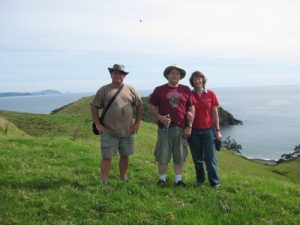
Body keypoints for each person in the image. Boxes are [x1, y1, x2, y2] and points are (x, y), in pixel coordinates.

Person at [90, 64, 143, 185]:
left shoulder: (131, 89)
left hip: (127, 130)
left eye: (121, 73)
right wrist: (97, 123)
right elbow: (94, 107)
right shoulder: (104, 90)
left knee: (125, 155)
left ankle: (123, 178)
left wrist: (137, 123)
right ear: (111, 75)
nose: (118, 75)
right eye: (115, 73)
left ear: (124, 76)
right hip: (108, 131)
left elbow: (140, 106)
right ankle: (104, 182)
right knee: (107, 157)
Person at [148, 65, 195, 187]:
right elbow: (151, 107)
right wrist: (160, 118)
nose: (175, 75)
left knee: (179, 155)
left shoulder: (186, 89)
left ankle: (178, 180)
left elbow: (191, 108)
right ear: (167, 75)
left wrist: (189, 126)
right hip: (164, 129)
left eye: (178, 74)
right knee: (163, 154)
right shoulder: (159, 90)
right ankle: (162, 179)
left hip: (181, 128)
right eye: (173, 73)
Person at [188, 71, 222, 188]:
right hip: (194, 132)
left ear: (203, 80)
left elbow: (215, 113)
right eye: (195, 79)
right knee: (197, 159)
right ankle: (200, 180)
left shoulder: (211, 94)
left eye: (199, 78)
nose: (197, 81)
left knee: (210, 159)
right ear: (192, 82)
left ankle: (215, 183)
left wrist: (217, 130)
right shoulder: (189, 95)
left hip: (208, 131)